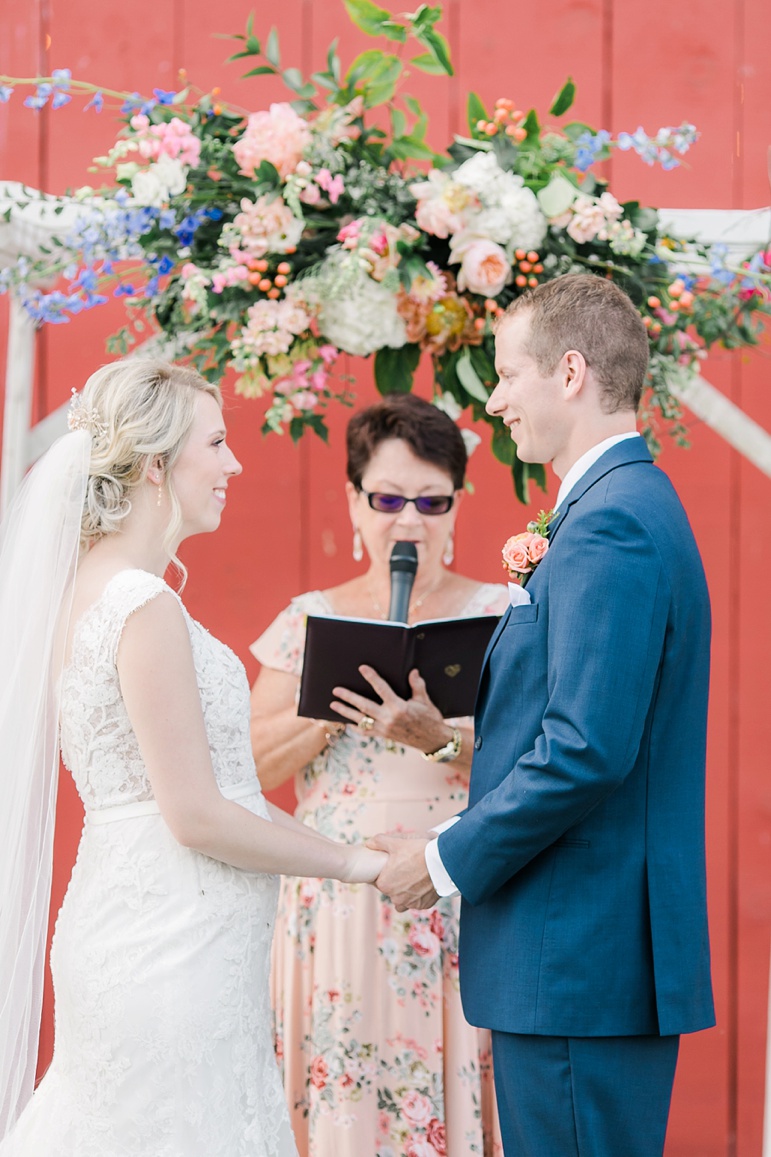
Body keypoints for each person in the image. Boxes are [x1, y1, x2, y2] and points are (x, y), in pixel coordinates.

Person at [0, 359, 387, 1157]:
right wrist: (354, 861)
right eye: (216, 442)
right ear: (154, 466)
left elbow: (215, 791)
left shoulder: (94, 590)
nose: (234, 463)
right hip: (168, 952)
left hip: (162, 935)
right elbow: (196, 812)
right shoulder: (141, 606)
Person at [370, 274, 715, 1157]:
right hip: (577, 958)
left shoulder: (613, 524)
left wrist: (445, 860)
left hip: (577, 957)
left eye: (506, 373)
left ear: (568, 372)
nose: (494, 399)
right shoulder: (612, 509)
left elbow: (585, 748)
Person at [249, 393, 507, 1157]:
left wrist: (433, 740)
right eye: (388, 498)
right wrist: (342, 695)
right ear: (353, 502)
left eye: (431, 501)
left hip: (454, 895)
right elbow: (253, 765)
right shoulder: (305, 620)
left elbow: (539, 769)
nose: (408, 521)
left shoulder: (503, 616)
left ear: (457, 504)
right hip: (334, 906)